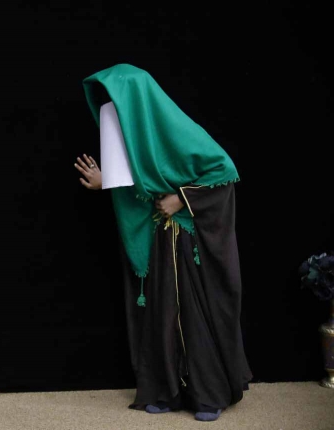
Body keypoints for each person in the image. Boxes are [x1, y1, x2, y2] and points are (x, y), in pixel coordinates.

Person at [74, 63, 252, 422]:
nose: (114, 108)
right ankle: (166, 391)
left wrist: (180, 199)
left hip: (190, 243)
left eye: (119, 100)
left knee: (194, 315)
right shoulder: (132, 135)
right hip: (160, 240)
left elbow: (224, 171)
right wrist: (107, 181)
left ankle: (209, 395)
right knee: (162, 314)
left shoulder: (177, 129)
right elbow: (140, 182)